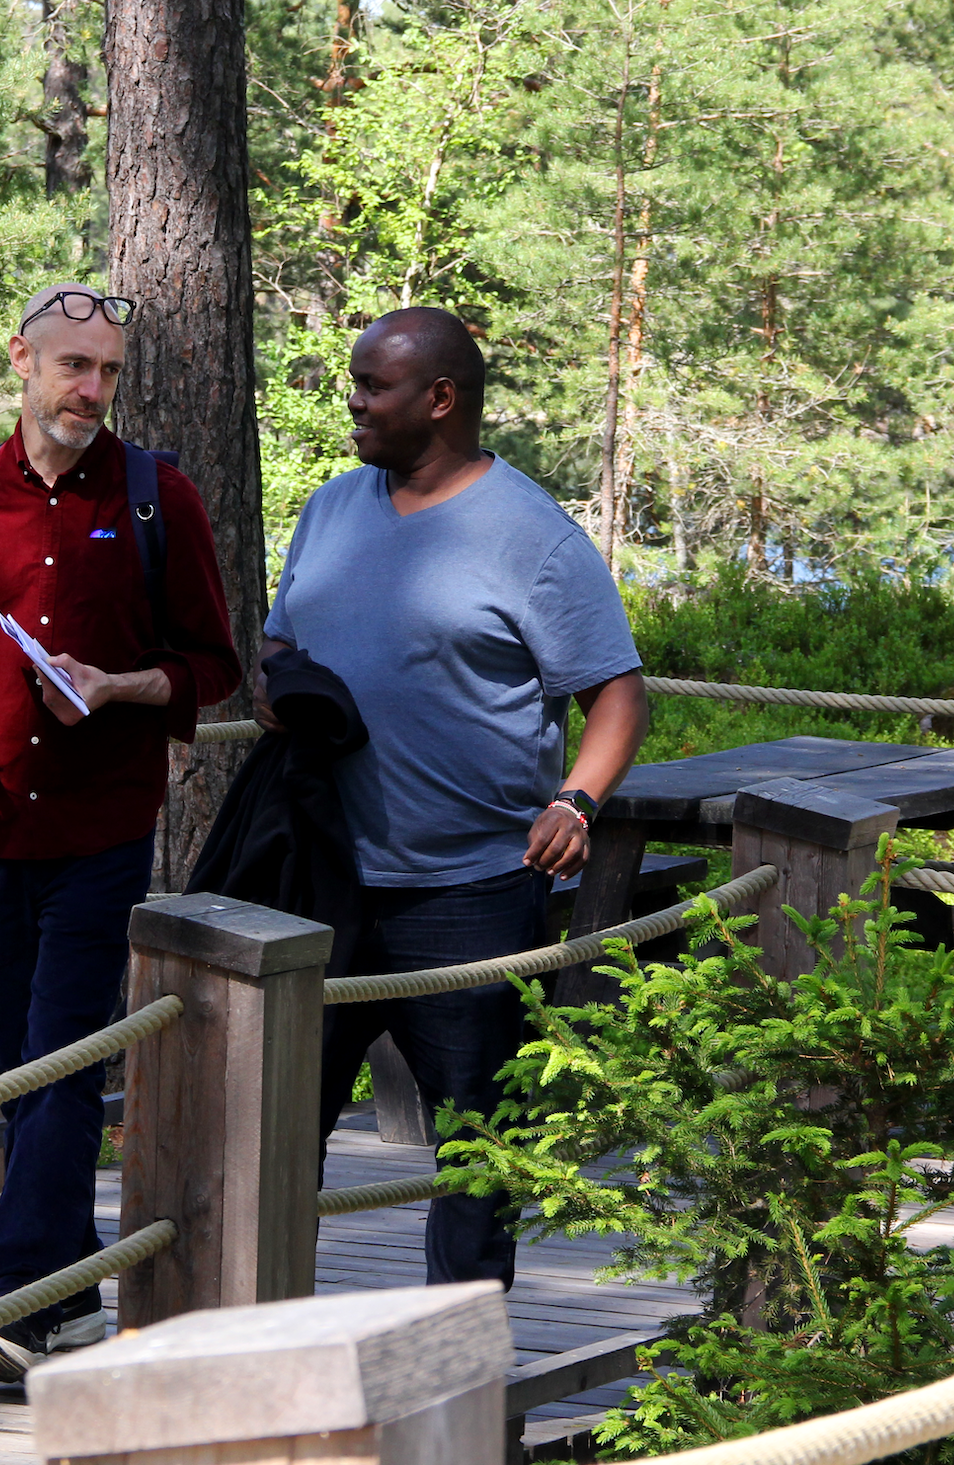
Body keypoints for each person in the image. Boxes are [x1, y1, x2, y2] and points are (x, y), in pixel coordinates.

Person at [0, 282, 241, 1382]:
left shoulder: (159, 499)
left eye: (108, 372)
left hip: (102, 828)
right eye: (73, 366)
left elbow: (214, 666)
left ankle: (15, 1306)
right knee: (29, 1061)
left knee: (61, 1058)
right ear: (20, 360)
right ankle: (69, 1295)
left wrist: (119, 685)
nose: (90, 389)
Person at [258, 307, 650, 1290]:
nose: (352, 402)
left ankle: (463, 1387)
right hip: (325, 879)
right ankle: (261, 1368)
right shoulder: (331, 508)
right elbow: (280, 639)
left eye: (372, 386)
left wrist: (575, 802)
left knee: (478, 1158)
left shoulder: (533, 537)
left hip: (470, 893)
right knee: (271, 1138)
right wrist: (280, 685)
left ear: (440, 398)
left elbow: (615, 693)